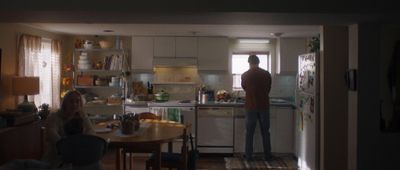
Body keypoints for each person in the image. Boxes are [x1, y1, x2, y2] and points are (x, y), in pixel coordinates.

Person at [42, 90, 95, 168]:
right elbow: (52, 134)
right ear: (65, 104)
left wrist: (84, 143)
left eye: (77, 101)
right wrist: (68, 147)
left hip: (78, 155)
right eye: (71, 101)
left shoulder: (82, 115)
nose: (74, 104)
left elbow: (91, 131)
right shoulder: (54, 117)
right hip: (57, 158)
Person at [241, 55, 272, 161]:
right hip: (264, 106)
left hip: (251, 106)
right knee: (265, 132)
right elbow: (268, 88)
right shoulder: (266, 74)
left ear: (249, 63)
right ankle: (267, 156)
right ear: (258, 62)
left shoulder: (245, 75)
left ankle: (249, 156)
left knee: (249, 133)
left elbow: (245, 88)